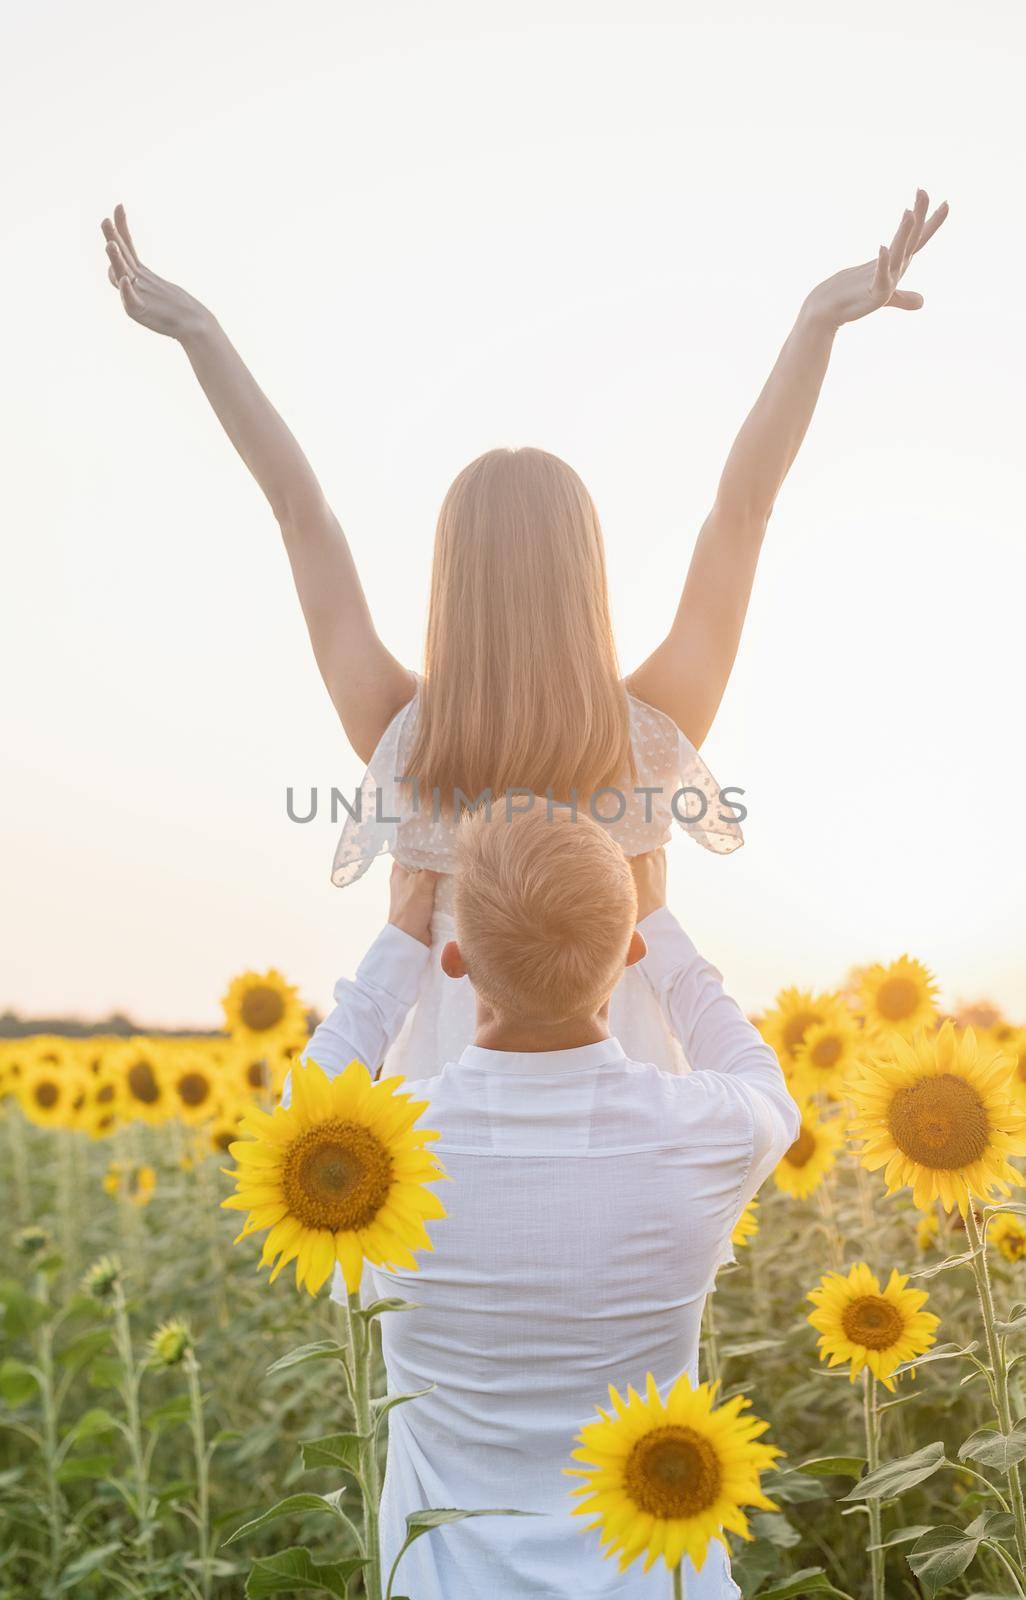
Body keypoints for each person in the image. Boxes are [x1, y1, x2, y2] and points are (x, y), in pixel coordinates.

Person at [100, 191, 948, 1075]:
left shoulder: (406, 740)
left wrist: (201, 334)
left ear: (451, 584)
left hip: (445, 1123)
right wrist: (815, 326)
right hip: (627, 1101)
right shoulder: (649, 738)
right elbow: (742, 515)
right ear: (586, 581)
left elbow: (299, 513)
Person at [286, 810, 801, 1598]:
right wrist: (661, 925)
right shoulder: (705, 1133)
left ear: (454, 961)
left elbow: (302, 1107)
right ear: (629, 957)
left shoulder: (377, 1156)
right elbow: (765, 1083)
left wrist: (398, 938)